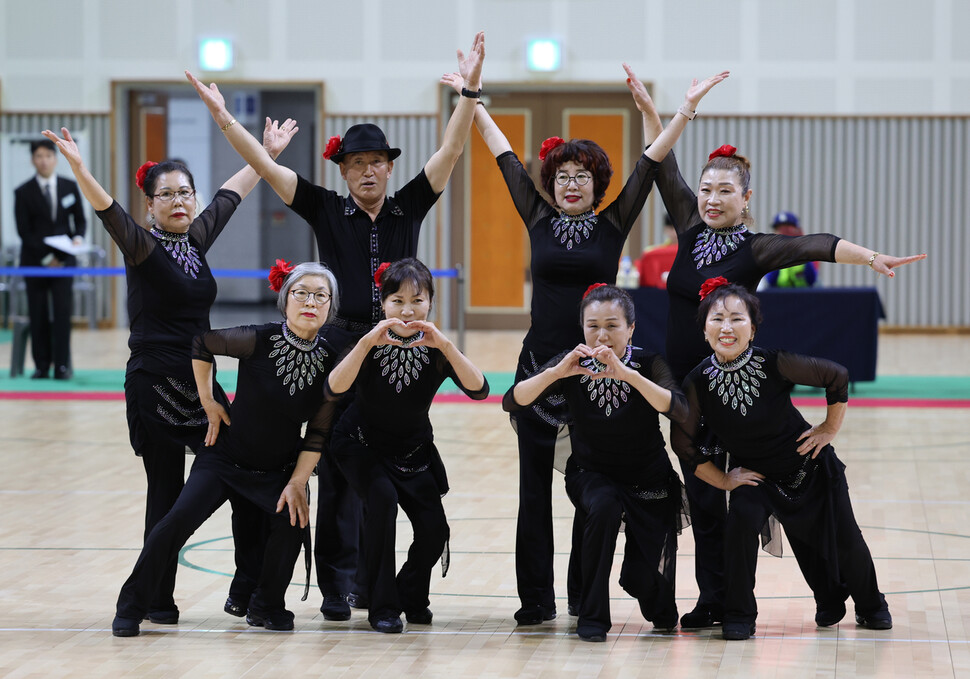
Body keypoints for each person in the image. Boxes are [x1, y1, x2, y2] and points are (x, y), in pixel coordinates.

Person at [187, 32, 485, 620]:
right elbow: (265, 167)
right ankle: (338, 588)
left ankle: (382, 588)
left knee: (385, 461)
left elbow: (451, 151)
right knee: (338, 469)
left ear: (388, 167)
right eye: (356, 163)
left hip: (403, 341)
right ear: (343, 170)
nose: (367, 171)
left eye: (376, 162)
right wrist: (225, 120)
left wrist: (470, 93)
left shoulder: (409, 204)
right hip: (342, 344)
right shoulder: (323, 204)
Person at [622, 66, 926, 630]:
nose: (711, 199)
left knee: (737, 498)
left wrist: (872, 257)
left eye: (724, 192)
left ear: (746, 197)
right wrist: (656, 110)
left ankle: (742, 599)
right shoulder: (688, 225)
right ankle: (711, 599)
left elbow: (819, 245)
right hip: (682, 388)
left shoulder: (758, 248)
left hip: (730, 390)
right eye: (706, 190)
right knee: (702, 492)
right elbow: (660, 164)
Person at [444, 64, 728, 624]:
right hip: (543, 373)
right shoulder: (536, 218)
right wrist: (472, 96)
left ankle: (583, 594)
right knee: (532, 495)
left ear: (598, 184)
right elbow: (502, 154)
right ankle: (536, 600)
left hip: (602, 375)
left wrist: (683, 109)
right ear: (550, 184)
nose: (571, 183)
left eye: (582, 175)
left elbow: (650, 164)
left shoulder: (613, 223)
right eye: (563, 175)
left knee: (589, 488)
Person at [41, 120, 297, 624]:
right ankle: (153, 597)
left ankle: (247, 590)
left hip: (202, 384)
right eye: (167, 195)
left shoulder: (195, 242)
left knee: (245, 475)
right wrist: (79, 168)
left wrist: (264, 155)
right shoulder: (143, 248)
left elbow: (232, 194)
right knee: (165, 495)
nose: (179, 201)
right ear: (150, 205)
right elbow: (106, 211)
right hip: (155, 383)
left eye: (185, 193)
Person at [112, 261, 341, 637]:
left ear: (331, 306)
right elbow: (202, 343)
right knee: (174, 524)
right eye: (301, 293)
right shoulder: (257, 338)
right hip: (224, 461)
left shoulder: (331, 360)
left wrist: (298, 481)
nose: (310, 302)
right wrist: (208, 401)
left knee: (293, 522)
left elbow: (317, 431)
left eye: (320, 295)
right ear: (285, 300)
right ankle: (132, 603)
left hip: (277, 470)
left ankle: (267, 604)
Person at [672, 279, 891, 640]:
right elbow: (682, 443)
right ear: (704, 328)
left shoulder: (774, 362)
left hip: (810, 466)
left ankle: (872, 606)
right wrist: (725, 480)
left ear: (753, 328)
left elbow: (836, 375)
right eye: (718, 319)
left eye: (737, 319)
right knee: (739, 526)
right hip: (756, 479)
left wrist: (828, 429)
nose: (727, 327)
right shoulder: (697, 382)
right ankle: (739, 614)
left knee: (846, 539)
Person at [503, 284, 688, 642]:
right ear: (583, 328)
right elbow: (514, 401)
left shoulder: (649, 363)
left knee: (652, 598)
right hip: (592, 473)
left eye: (612, 325)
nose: (601, 334)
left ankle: (644, 589)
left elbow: (678, 408)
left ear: (631, 328)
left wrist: (628, 375)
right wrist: (556, 373)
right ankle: (592, 617)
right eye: (592, 326)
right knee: (602, 507)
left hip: (650, 480)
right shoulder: (571, 364)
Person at [325, 258, 488, 633]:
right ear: (383, 304)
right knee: (381, 501)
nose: (407, 309)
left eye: (417, 300)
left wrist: (444, 343)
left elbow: (479, 389)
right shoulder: (365, 342)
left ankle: (409, 593)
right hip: (359, 445)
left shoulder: (437, 348)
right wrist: (367, 341)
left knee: (434, 531)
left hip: (412, 451)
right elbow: (334, 389)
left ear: (430, 302)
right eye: (397, 300)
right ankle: (382, 607)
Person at [14, 138, 87, 380]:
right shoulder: (23, 192)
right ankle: (42, 366)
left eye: (48, 156)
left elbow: (80, 220)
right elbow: (24, 231)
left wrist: (77, 239)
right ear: (33, 160)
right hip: (36, 263)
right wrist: (47, 259)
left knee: (63, 314)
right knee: (38, 313)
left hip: (64, 262)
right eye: (39, 156)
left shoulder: (69, 186)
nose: (43, 161)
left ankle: (62, 366)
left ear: (55, 159)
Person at [763, 212, 818, 288]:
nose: (782, 233)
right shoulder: (770, 253)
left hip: (803, 295)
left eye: (787, 230)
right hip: (778, 297)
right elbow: (770, 281)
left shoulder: (807, 250)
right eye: (779, 230)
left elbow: (812, 279)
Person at [637, 213, 678, 288]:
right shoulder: (651, 253)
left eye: (678, 228)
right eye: (672, 228)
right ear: (665, 229)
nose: (675, 233)